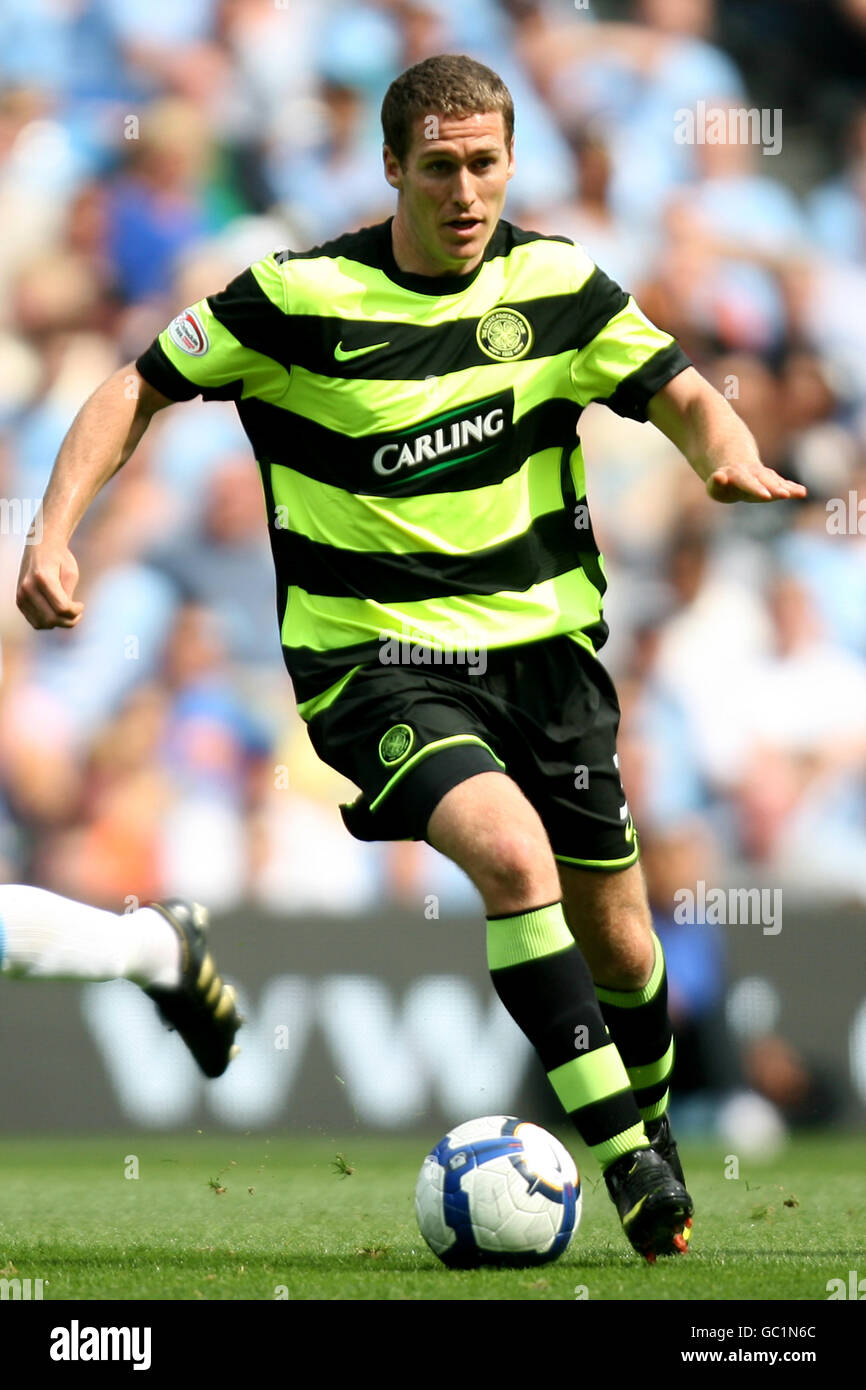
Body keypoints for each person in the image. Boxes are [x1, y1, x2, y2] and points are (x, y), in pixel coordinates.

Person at [14, 53, 805, 1260]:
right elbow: (136, 383)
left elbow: (685, 391)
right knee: (505, 849)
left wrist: (722, 451)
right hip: (373, 664)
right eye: (437, 166)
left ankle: (647, 1142)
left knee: (625, 944)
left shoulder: (556, 282)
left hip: (546, 658)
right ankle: (628, 1160)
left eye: (483, 162)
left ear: (508, 162)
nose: (463, 187)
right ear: (391, 168)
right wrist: (53, 533)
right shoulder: (298, 299)